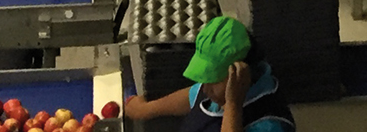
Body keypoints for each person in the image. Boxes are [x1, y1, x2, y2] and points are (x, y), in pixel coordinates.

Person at [122, 16, 295, 132]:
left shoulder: (270, 124)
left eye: (212, 80)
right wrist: (146, 109)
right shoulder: (217, 92)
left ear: (240, 76)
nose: (204, 88)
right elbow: (193, 96)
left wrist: (233, 107)